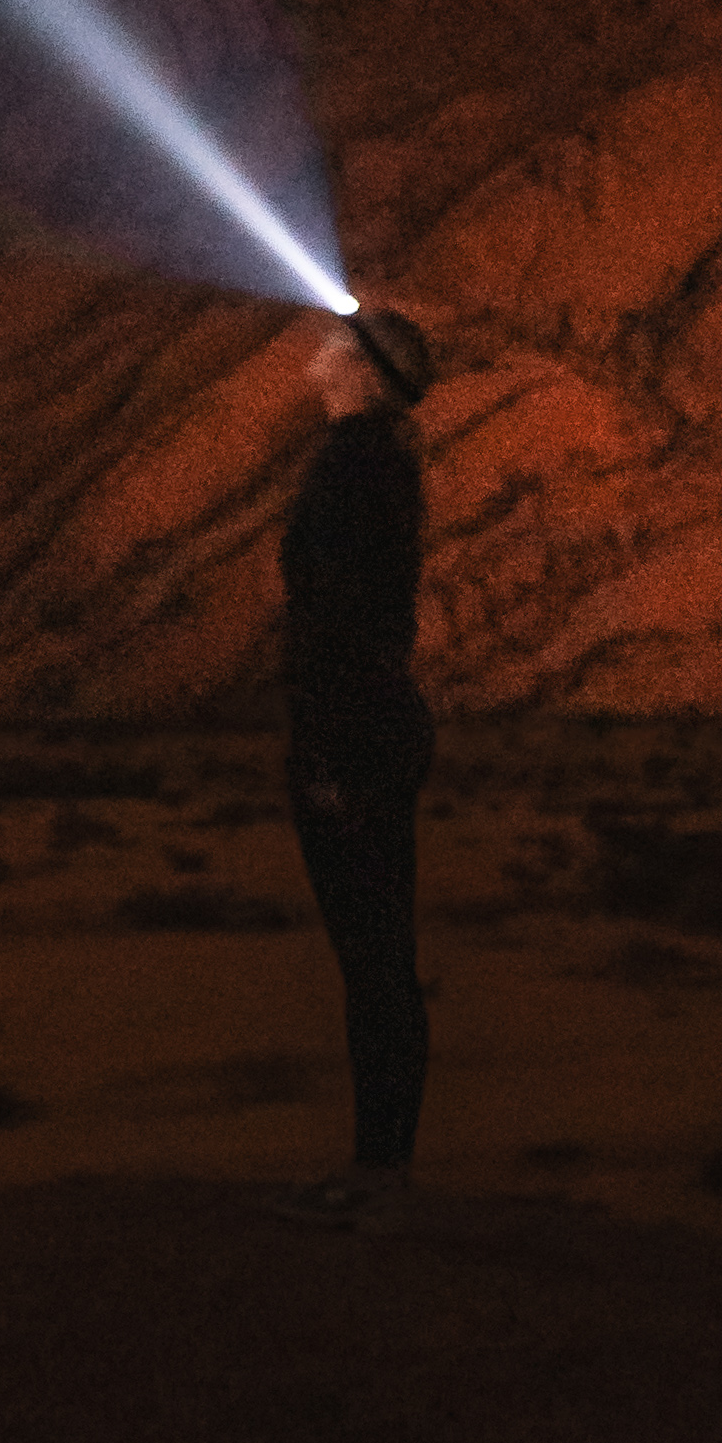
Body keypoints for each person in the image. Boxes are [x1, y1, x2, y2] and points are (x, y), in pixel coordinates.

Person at [280, 302, 437, 1208]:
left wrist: (331, 750)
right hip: (366, 725)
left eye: (342, 336)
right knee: (376, 954)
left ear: (366, 371)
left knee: (374, 956)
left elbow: (345, 621)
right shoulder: (373, 463)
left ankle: (381, 1172)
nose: (323, 341)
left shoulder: (356, 465)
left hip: (356, 731)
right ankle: (381, 1164)